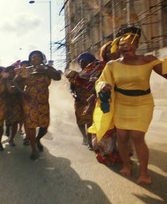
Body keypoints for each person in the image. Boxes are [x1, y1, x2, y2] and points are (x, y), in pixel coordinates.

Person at [92, 27, 167, 184]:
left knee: (137, 136)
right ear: (117, 48)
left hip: (143, 103)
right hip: (121, 103)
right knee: (122, 137)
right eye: (121, 44)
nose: (125, 47)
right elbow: (100, 82)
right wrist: (103, 84)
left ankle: (144, 172)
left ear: (137, 45)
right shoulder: (112, 64)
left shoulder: (148, 60)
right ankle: (126, 165)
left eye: (129, 43)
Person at [15, 50, 61, 160]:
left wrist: (45, 69)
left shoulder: (48, 69)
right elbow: (15, 81)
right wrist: (22, 92)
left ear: (42, 59)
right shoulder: (26, 71)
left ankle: (37, 139)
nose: (35, 59)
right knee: (31, 125)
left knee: (44, 126)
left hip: (43, 102)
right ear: (30, 60)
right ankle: (34, 150)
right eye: (32, 57)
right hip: (29, 102)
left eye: (37, 57)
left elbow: (58, 77)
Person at [69, 53, 98, 149]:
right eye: (81, 62)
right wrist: (74, 94)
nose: (83, 64)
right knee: (80, 121)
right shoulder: (75, 75)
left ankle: (90, 141)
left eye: (86, 62)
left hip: (91, 100)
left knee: (90, 121)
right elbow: (71, 88)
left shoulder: (95, 74)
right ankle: (84, 136)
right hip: (79, 101)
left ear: (91, 63)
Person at [4, 66, 23, 147]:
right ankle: (8, 127)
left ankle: (11, 139)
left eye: (13, 73)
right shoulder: (4, 81)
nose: (12, 74)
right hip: (6, 103)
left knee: (15, 122)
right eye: (10, 73)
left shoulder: (19, 80)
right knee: (8, 121)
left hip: (16, 104)